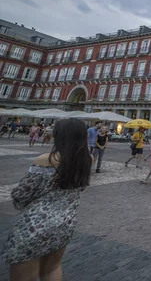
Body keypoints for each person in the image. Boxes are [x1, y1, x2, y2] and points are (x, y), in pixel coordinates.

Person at [3, 118, 92, 281]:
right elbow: (82, 187)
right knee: (52, 268)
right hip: (66, 222)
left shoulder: (45, 159)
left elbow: (21, 195)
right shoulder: (87, 160)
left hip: (34, 225)